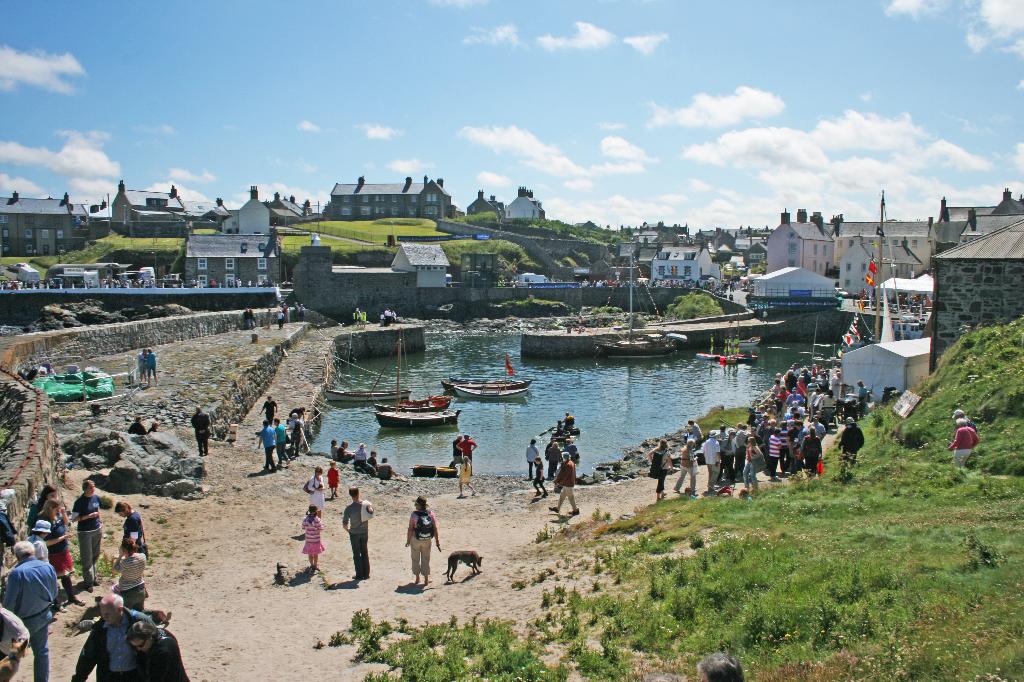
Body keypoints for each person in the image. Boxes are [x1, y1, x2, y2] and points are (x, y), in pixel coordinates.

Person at [3, 541, 57, 682]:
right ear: (33, 552)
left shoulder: (17, 574)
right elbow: (54, 592)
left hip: (23, 622)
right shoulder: (48, 567)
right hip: (44, 615)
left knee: (13, 656)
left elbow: (9, 603)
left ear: (17, 556)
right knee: (42, 652)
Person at [71, 593, 155, 682]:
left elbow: (157, 644)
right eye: (102, 613)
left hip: (135, 676)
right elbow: (88, 655)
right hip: (109, 676)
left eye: (107, 614)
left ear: (120, 610)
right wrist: (78, 678)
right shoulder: (100, 628)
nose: (104, 617)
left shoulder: (139, 621)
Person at [40, 498, 82, 607]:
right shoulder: (44, 520)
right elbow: (46, 542)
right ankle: (56, 603)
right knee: (53, 578)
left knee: (66, 575)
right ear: (50, 508)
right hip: (53, 553)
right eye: (57, 509)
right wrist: (62, 538)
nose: (59, 510)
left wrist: (63, 514)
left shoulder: (58, 515)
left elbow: (67, 524)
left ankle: (71, 597)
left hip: (63, 550)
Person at [71, 479, 102, 592]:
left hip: (97, 529)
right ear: (85, 489)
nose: (93, 489)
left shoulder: (96, 498)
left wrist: (100, 521)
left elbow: (97, 510)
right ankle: (88, 582)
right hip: (85, 532)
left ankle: (94, 578)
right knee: (87, 557)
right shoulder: (79, 502)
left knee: (95, 555)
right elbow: (74, 519)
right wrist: (87, 516)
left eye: (94, 487)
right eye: (90, 487)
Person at [406, 497, 441, 586]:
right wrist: (437, 541)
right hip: (427, 539)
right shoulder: (430, 513)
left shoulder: (414, 514)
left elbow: (410, 528)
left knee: (415, 558)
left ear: (418, 505)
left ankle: (417, 578)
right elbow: (435, 528)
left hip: (415, 539)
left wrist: (408, 540)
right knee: (426, 558)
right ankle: (426, 579)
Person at [342, 488, 372, 581]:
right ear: (358, 493)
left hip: (354, 533)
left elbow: (345, 524)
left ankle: (359, 574)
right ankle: (366, 574)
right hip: (364, 531)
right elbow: (371, 513)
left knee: (356, 554)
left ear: (350, 495)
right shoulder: (366, 504)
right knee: (364, 552)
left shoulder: (348, 508)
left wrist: (349, 531)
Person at [113, 537, 148, 611]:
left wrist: (120, 556)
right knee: (140, 612)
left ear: (124, 550)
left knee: (127, 616)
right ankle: (157, 615)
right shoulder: (143, 557)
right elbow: (134, 558)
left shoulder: (124, 563)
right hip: (141, 591)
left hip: (127, 594)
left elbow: (114, 570)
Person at [301, 506, 325, 572]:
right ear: (316, 511)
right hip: (316, 540)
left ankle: (311, 565)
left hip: (308, 540)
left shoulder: (305, 519)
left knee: (310, 554)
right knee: (316, 554)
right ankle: (315, 565)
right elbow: (321, 528)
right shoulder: (317, 519)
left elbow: (303, 527)